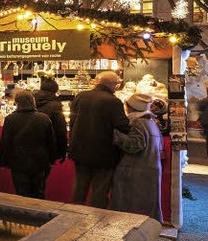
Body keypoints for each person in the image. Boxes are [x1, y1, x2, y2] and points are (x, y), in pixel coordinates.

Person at [69, 71, 130, 209]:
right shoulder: (114, 101)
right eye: (116, 84)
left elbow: (72, 121)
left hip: (80, 151)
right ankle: (96, 221)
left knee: (79, 189)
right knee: (100, 191)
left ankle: (74, 217)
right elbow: (123, 126)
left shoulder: (81, 96)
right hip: (104, 153)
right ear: (112, 85)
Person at [111, 92, 163, 220]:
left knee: (129, 204)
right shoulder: (150, 122)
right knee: (147, 203)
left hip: (136, 169)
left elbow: (135, 145)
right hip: (149, 167)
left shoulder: (138, 123)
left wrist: (115, 135)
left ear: (131, 107)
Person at [0, 91, 56, 199]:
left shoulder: (10, 119)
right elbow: (50, 142)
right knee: (39, 192)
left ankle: (23, 215)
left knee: (21, 194)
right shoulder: (44, 118)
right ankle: (38, 214)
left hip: (18, 162)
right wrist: (51, 160)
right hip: (39, 162)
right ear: (32, 101)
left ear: (17, 102)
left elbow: (5, 143)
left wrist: (3, 161)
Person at [33, 77, 69, 163]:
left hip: (30, 144)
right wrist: (63, 150)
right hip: (48, 146)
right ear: (55, 90)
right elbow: (60, 129)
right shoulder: (55, 105)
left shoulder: (32, 100)